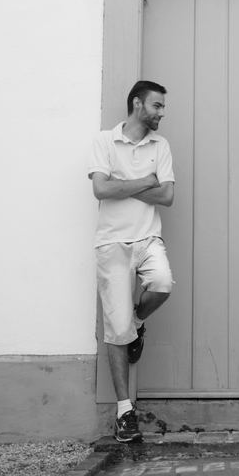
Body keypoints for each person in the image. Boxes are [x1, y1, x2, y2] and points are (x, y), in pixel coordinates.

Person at [88, 80, 175, 443]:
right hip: (112, 243)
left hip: (148, 238)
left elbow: (167, 196)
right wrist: (144, 182)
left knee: (162, 283)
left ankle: (139, 322)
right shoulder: (105, 141)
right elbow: (100, 189)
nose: (161, 113)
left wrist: (122, 183)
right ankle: (124, 412)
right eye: (157, 106)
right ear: (138, 104)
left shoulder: (160, 145)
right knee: (116, 328)